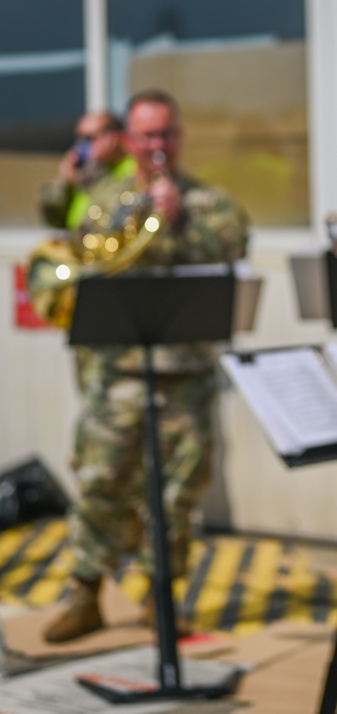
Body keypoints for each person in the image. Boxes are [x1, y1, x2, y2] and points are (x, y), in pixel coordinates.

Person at [40, 89, 250, 643]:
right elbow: (74, 244)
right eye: (145, 135)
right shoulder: (104, 197)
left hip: (185, 376)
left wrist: (179, 223)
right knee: (101, 480)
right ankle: (85, 591)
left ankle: (161, 599)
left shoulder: (210, 201)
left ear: (178, 137)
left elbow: (232, 247)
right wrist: (72, 182)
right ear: (130, 140)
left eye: (165, 134)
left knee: (177, 495)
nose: (156, 145)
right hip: (117, 372)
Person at [38, 110, 135, 230]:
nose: (82, 146)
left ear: (113, 137)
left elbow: (110, 211)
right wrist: (65, 184)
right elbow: (54, 218)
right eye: (79, 139)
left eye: (89, 138)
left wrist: (92, 174)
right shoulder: (84, 172)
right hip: (79, 242)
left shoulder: (133, 167)